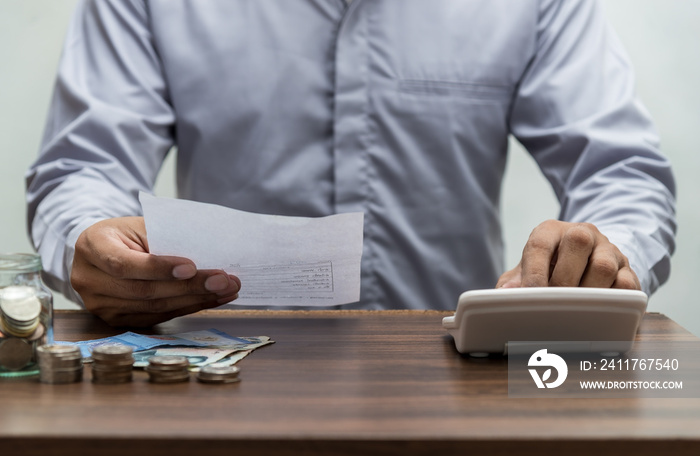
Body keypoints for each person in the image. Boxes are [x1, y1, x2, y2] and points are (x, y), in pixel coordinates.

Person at [26, 0, 676, 327]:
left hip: (456, 396)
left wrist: (604, 256)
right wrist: (86, 240)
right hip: (215, 392)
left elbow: (620, 175)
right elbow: (83, 169)